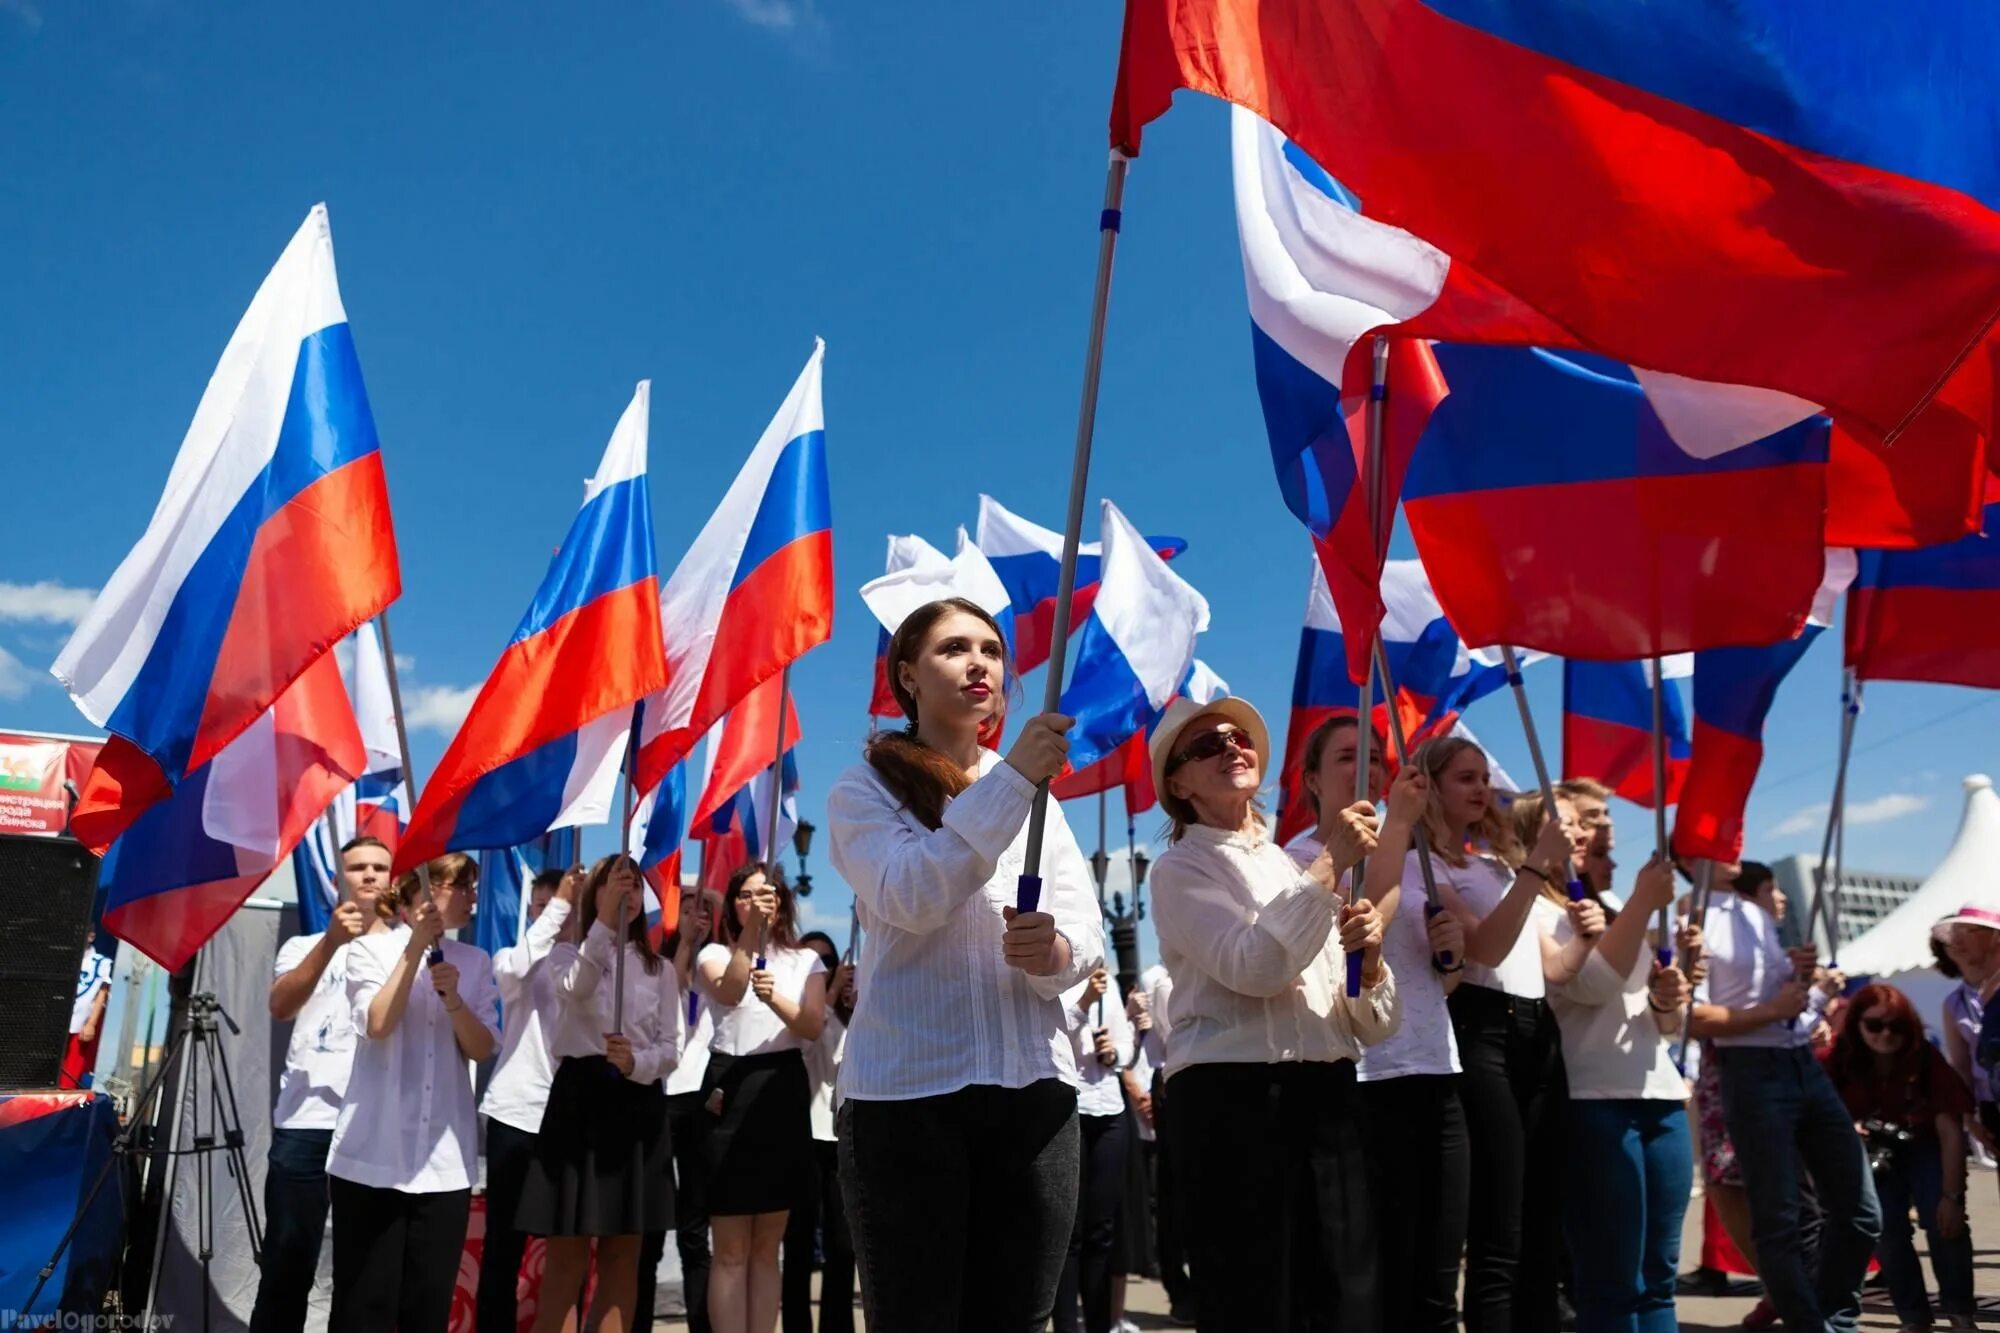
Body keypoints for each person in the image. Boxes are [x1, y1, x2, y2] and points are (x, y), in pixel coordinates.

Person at [825, 597, 1102, 1331]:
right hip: (908, 1100)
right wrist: (1011, 781)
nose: (980, 662)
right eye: (954, 648)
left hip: (1033, 1094)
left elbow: (1087, 933)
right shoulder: (865, 788)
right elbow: (912, 893)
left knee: (1021, 1320)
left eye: (991, 648)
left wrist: (1055, 953)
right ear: (909, 676)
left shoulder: (1040, 796)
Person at [1148, 694, 1396, 1331]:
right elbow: (1253, 967)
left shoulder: (1291, 865)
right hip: (1235, 1100)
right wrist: (1330, 864)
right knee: (1253, 1302)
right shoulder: (1179, 868)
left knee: (1347, 1302)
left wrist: (1366, 962)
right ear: (1177, 783)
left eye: (1238, 737)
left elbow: (1370, 1022)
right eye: (1206, 745)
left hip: (1328, 1094)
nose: (1230, 746)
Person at [1419, 740, 1598, 1333]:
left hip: (1536, 1031)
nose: (1479, 789)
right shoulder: (1427, 867)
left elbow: (1553, 968)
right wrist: (1534, 868)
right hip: (1480, 1032)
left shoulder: (1493, 867)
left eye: (1482, 778)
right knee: (1501, 1222)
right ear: (1432, 787)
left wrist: (1585, 938)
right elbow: (1485, 948)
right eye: (1464, 778)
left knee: (1543, 1215)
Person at [1320, 719, 1469, 1333]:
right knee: (1378, 1280)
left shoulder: (1414, 861)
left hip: (1435, 1064)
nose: (1369, 768)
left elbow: (1440, 980)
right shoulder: (1305, 858)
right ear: (1310, 780)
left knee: (1437, 1279)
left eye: (1374, 758)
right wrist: (1400, 826)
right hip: (1366, 1077)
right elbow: (1357, 943)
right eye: (1347, 757)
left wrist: (1451, 952)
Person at [1692, 857, 1881, 1331]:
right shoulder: (1690, 922)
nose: (1733, 845)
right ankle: (1814, 1324)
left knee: (1860, 1212)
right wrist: (1778, 1005)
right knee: (1779, 1219)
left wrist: (1800, 985)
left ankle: (1832, 1316)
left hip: (1799, 1065)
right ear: (1690, 859)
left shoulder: (1754, 918)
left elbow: (1785, 1013)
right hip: (1750, 1071)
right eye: (1722, 839)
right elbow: (1692, 1020)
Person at [326, 853, 499, 1333]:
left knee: (426, 1308)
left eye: (473, 886)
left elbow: (482, 1047)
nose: (471, 896)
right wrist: (415, 951)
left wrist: (456, 1001)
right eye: (460, 885)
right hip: (373, 1157)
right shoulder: (368, 951)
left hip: (443, 1165)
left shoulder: (475, 961)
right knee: (363, 1307)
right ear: (420, 892)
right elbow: (377, 1024)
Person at [517, 854, 682, 1333]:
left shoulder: (661, 970)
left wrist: (638, 1063)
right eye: (616, 885)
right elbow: (576, 987)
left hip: (636, 1103)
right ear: (596, 895)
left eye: (633, 888)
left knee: (623, 1254)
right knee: (567, 1253)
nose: (626, 896)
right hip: (580, 1101)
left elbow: (671, 1048)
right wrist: (604, 924)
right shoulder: (566, 953)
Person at [1545, 850, 1695, 1333]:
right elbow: (1589, 989)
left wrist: (1667, 999)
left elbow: (1664, 1026)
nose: (1611, 859)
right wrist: (1644, 902)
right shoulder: (1538, 910)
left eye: (1612, 847)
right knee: (1612, 1283)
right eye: (1597, 844)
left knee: (1659, 1280)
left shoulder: (1615, 909)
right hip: (1593, 1100)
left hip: (1661, 1096)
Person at [251, 835, 393, 1333]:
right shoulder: (303, 945)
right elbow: (281, 1006)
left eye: (380, 867)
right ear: (337, 881)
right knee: (288, 1265)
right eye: (358, 868)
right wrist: (333, 941)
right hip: (306, 1123)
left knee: (359, 1273)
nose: (371, 875)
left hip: (372, 1124)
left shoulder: (404, 950)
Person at [697, 863, 828, 1333]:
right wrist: (751, 934)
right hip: (729, 1085)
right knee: (730, 1247)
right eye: (745, 896)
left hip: (781, 1088)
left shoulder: (806, 962)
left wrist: (777, 1000)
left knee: (766, 1247)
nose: (754, 903)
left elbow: (813, 1025)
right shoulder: (714, 952)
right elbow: (730, 992)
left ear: (783, 903)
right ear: (733, 904)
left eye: (764, 895)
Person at [1823, 982, 1977, 1331]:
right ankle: (1913, 1319)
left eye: (1897, 1026)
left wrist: (1953, 1197)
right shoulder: (1839, 1060)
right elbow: (1817, 1116)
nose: (1886, 1035)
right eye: (1875, 1025)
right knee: (1886, 1230)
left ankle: (1960, 1314)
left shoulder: (1924, 1057)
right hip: (1873, 1153)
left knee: (1945, 1227)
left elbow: (1951, 1129)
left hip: (1925, 1147)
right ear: (1857, 1025)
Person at [476, 866, 577, 1333]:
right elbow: (515, 970)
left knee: (568, 1243)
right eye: (541, 908)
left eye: (561, 907)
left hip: (572, 1116)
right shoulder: (512, 959)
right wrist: (556, 910)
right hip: (516, 1113)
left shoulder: (594, 963)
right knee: (505, 1244)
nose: (552, 916)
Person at [780, 930, 857, 1333]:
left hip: (842, 1136)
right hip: (804, 1135)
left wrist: (854, 1004)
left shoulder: (849, 1009)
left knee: (843, 1248)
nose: (823, 968)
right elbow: (803, 1050)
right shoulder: (797, 1008)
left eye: (828, 961)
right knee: (798, 1243)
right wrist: (824, 1002)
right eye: (813, 961)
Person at [1054, 965, 1135, 1333]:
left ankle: (1101, 1324)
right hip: (1071, 1108)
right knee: (1069, 1233)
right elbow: (1053, 1037)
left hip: (1110, 1110)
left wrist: (1114, 1052)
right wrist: (1085, 1000)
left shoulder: (1110, 982)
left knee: (1102, 1229)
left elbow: (1126, 1045)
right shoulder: (1056, 979)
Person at [1135, 961, 1193, 1327]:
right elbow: (1172, 1034)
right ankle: (1180, 1290)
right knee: (1173, 1190)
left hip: (1197, 1077)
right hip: (1174, 1079)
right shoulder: (1157, 978)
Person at [1935, 907, 2000, 1161]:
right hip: (1991, 1107)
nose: (1958, 941)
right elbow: (1961, 1065)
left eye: (1968, 930)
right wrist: (1969, 1116)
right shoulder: (1955, 1003)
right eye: (1952, 936)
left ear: (1995, 937)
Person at [62, 937, 114, 1091]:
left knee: (69, 1077)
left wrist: (91, 1023)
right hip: (55, 1022)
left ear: (91, 935)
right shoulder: (63, 956)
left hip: (80, 1023)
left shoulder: (101, 963)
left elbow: (102, 993)